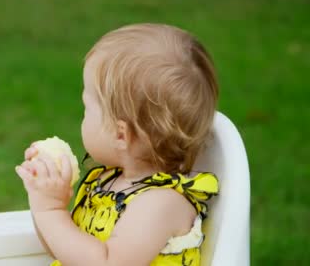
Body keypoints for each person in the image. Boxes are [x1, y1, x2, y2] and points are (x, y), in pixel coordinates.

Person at [16, 23, 220, 265]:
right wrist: (43, 198)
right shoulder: (108, 182)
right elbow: (65, 251)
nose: (82, 117)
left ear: (120, 135)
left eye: (86, 109)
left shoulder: (160, 204)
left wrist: (50, 211)